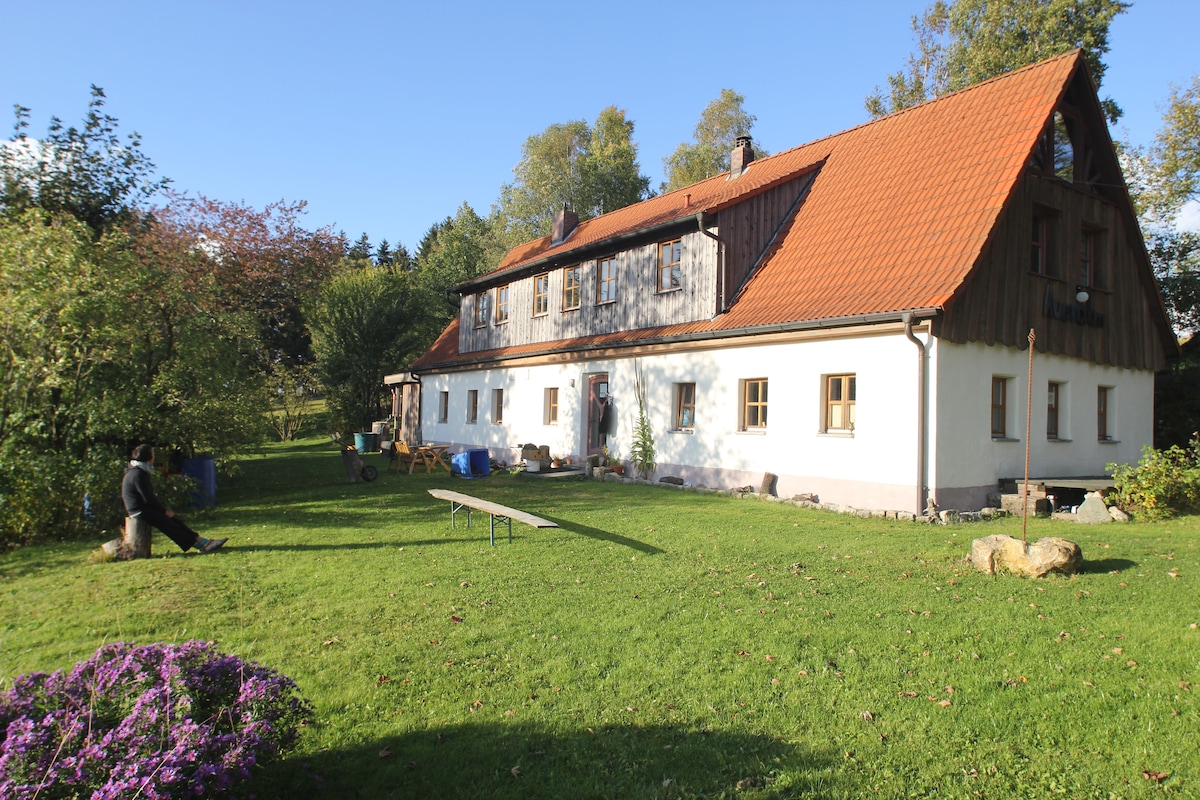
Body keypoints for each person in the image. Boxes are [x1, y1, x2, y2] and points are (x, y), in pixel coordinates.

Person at [121, 444, 227, 554]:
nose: (154, 457)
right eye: (153, 454)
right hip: (139, 511)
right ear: (148, 457)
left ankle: (202, 542)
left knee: (174, 520)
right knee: (169, 524)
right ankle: (201, 544)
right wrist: (163, 510)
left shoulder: (137, 471)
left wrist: (163, 510)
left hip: (144, 508)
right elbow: (148, 497)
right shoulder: (137, 474)